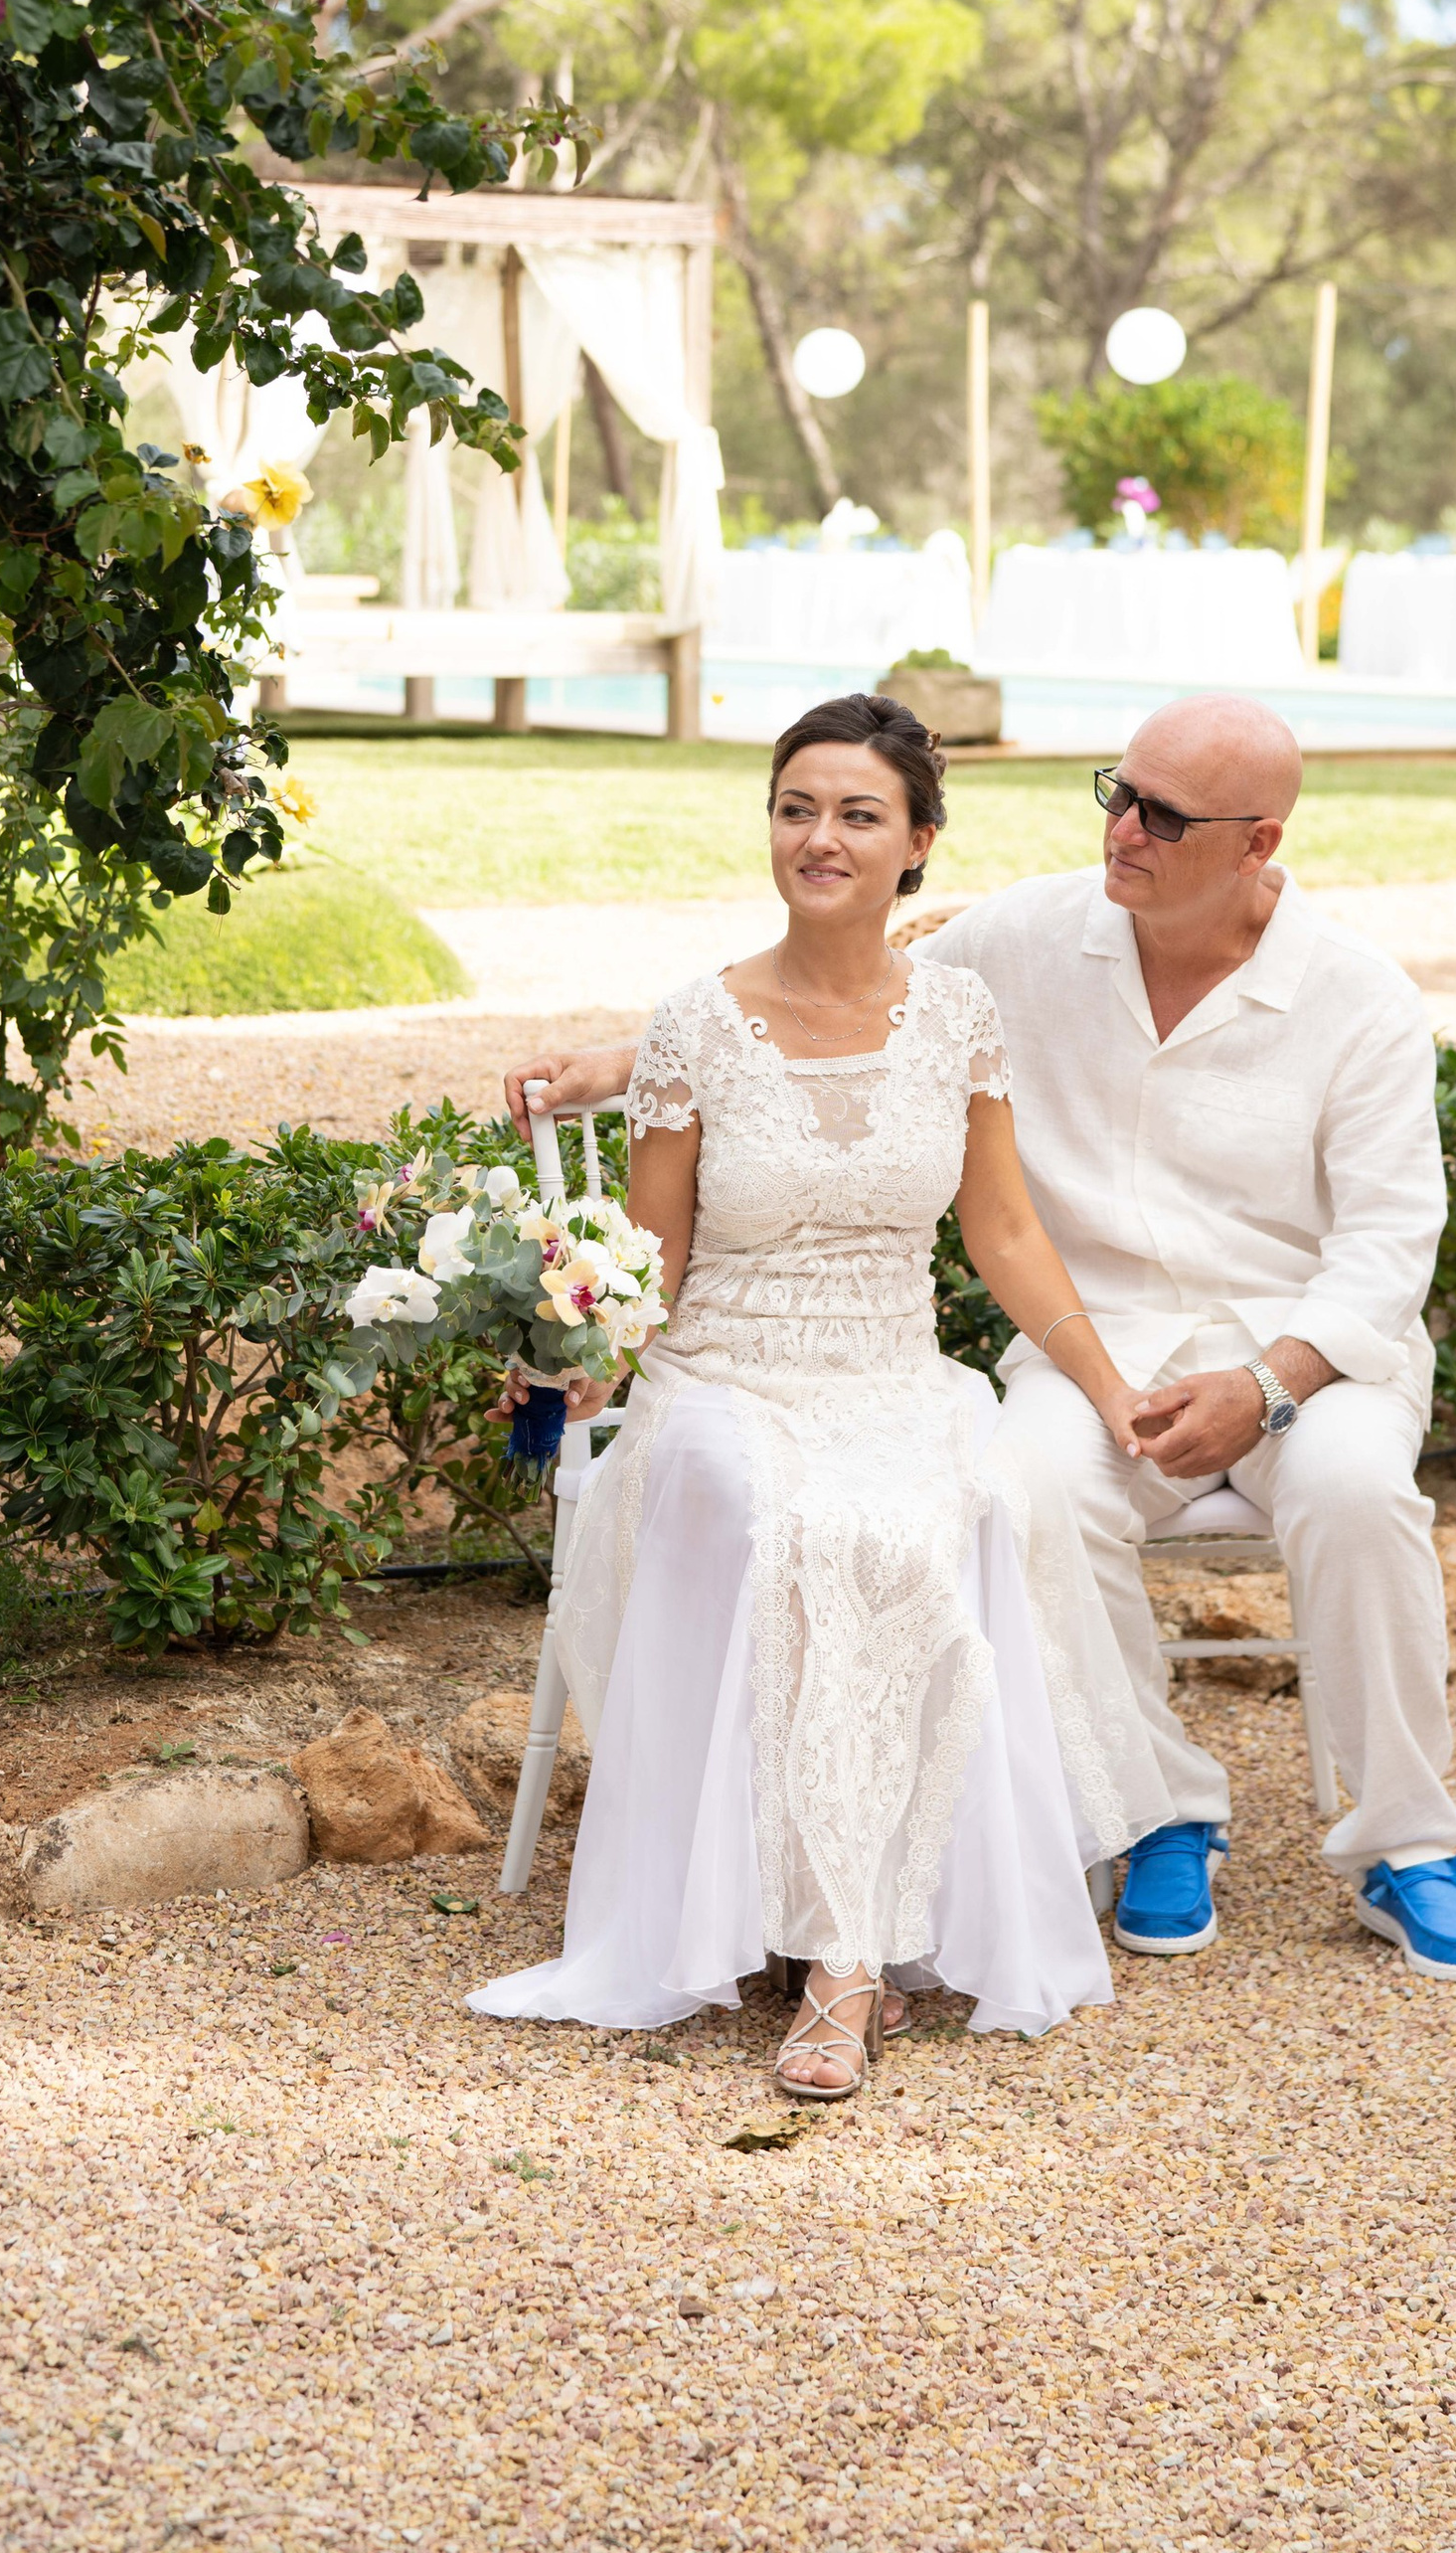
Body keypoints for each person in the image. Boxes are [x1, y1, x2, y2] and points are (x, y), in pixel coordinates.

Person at [506, 691, 1456, 1985]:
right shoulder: (1036, 935)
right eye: (1118, 790)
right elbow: (832, 995)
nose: (1123, 830)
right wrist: (617, 1059)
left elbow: (1386, 1251)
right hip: (1098, 1345)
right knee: (1022, 1483)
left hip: (1305, 1359)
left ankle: (1408, 1845)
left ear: (1259, 844)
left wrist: (1266, 1387)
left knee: (1359, 1494)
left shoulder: (1359, 999)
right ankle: (1164, 1810)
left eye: (1161, 814)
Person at [469, 691, 1172, 2095]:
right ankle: (839, 1958)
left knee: (953, 1507)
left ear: (917, 845)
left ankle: (842, 1941)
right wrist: (567, 1359)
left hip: (893, 1371)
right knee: (780, 1519)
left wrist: (1111, 1391)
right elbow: (651, 1262)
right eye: (797, 808)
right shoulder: (698, 1027)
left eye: (858, 814)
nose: (821, 837)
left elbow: (1007, 1234)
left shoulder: (960, 1016)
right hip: (727, 1377)